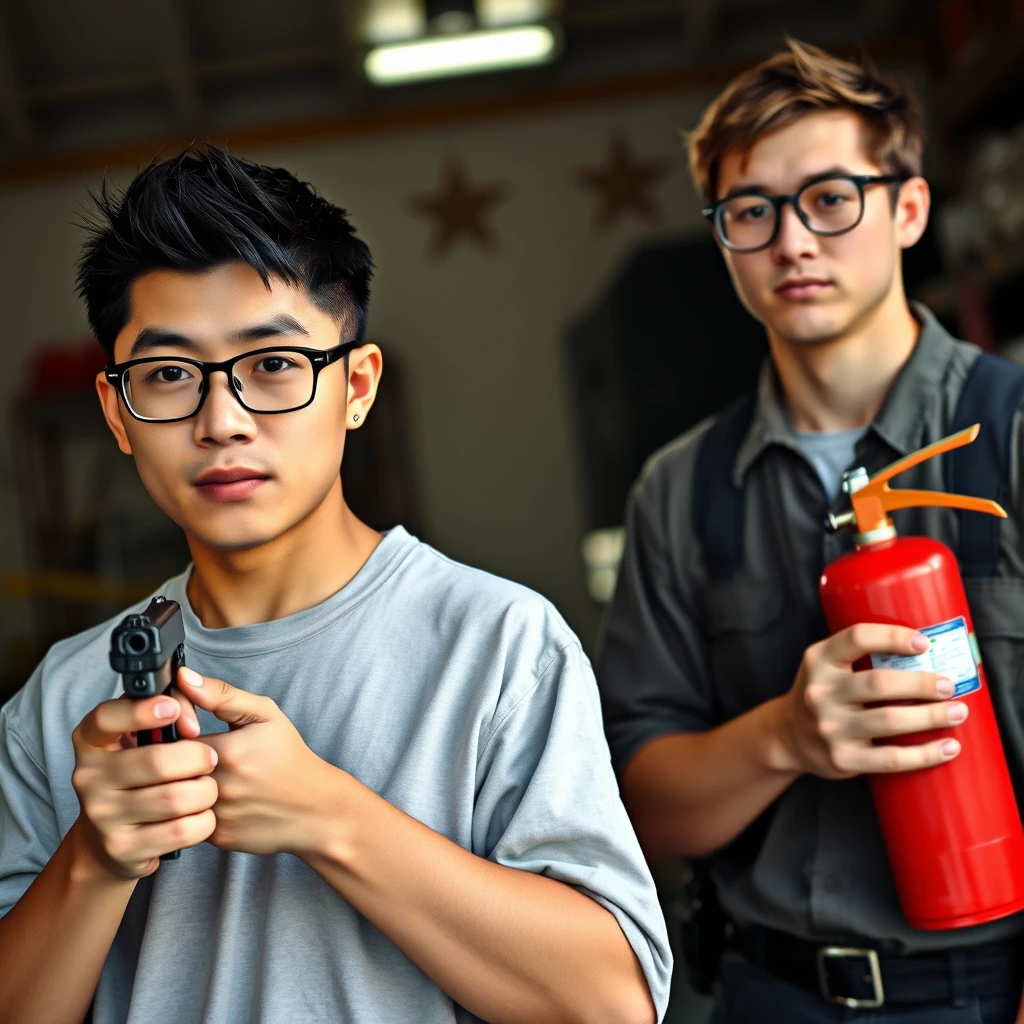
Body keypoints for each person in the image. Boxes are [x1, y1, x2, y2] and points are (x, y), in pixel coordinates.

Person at [0, 145, 671, 1024]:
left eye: (273, 365)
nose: (221, 420)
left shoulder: (500, 642)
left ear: (356, 387)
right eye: (167, 375)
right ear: (116, 414)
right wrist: (95, 858)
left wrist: (331, 817)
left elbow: (612, 1007)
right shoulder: (63, 700)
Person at [597, 39, 1024, 1024]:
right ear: (722, 239)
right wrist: (784, 736)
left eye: (830, 198)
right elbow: (639, 804)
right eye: (751, 211)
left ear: (906, 208)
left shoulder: (1010, 438)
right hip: (767, 994)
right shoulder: (678, 492)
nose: (792, 242)